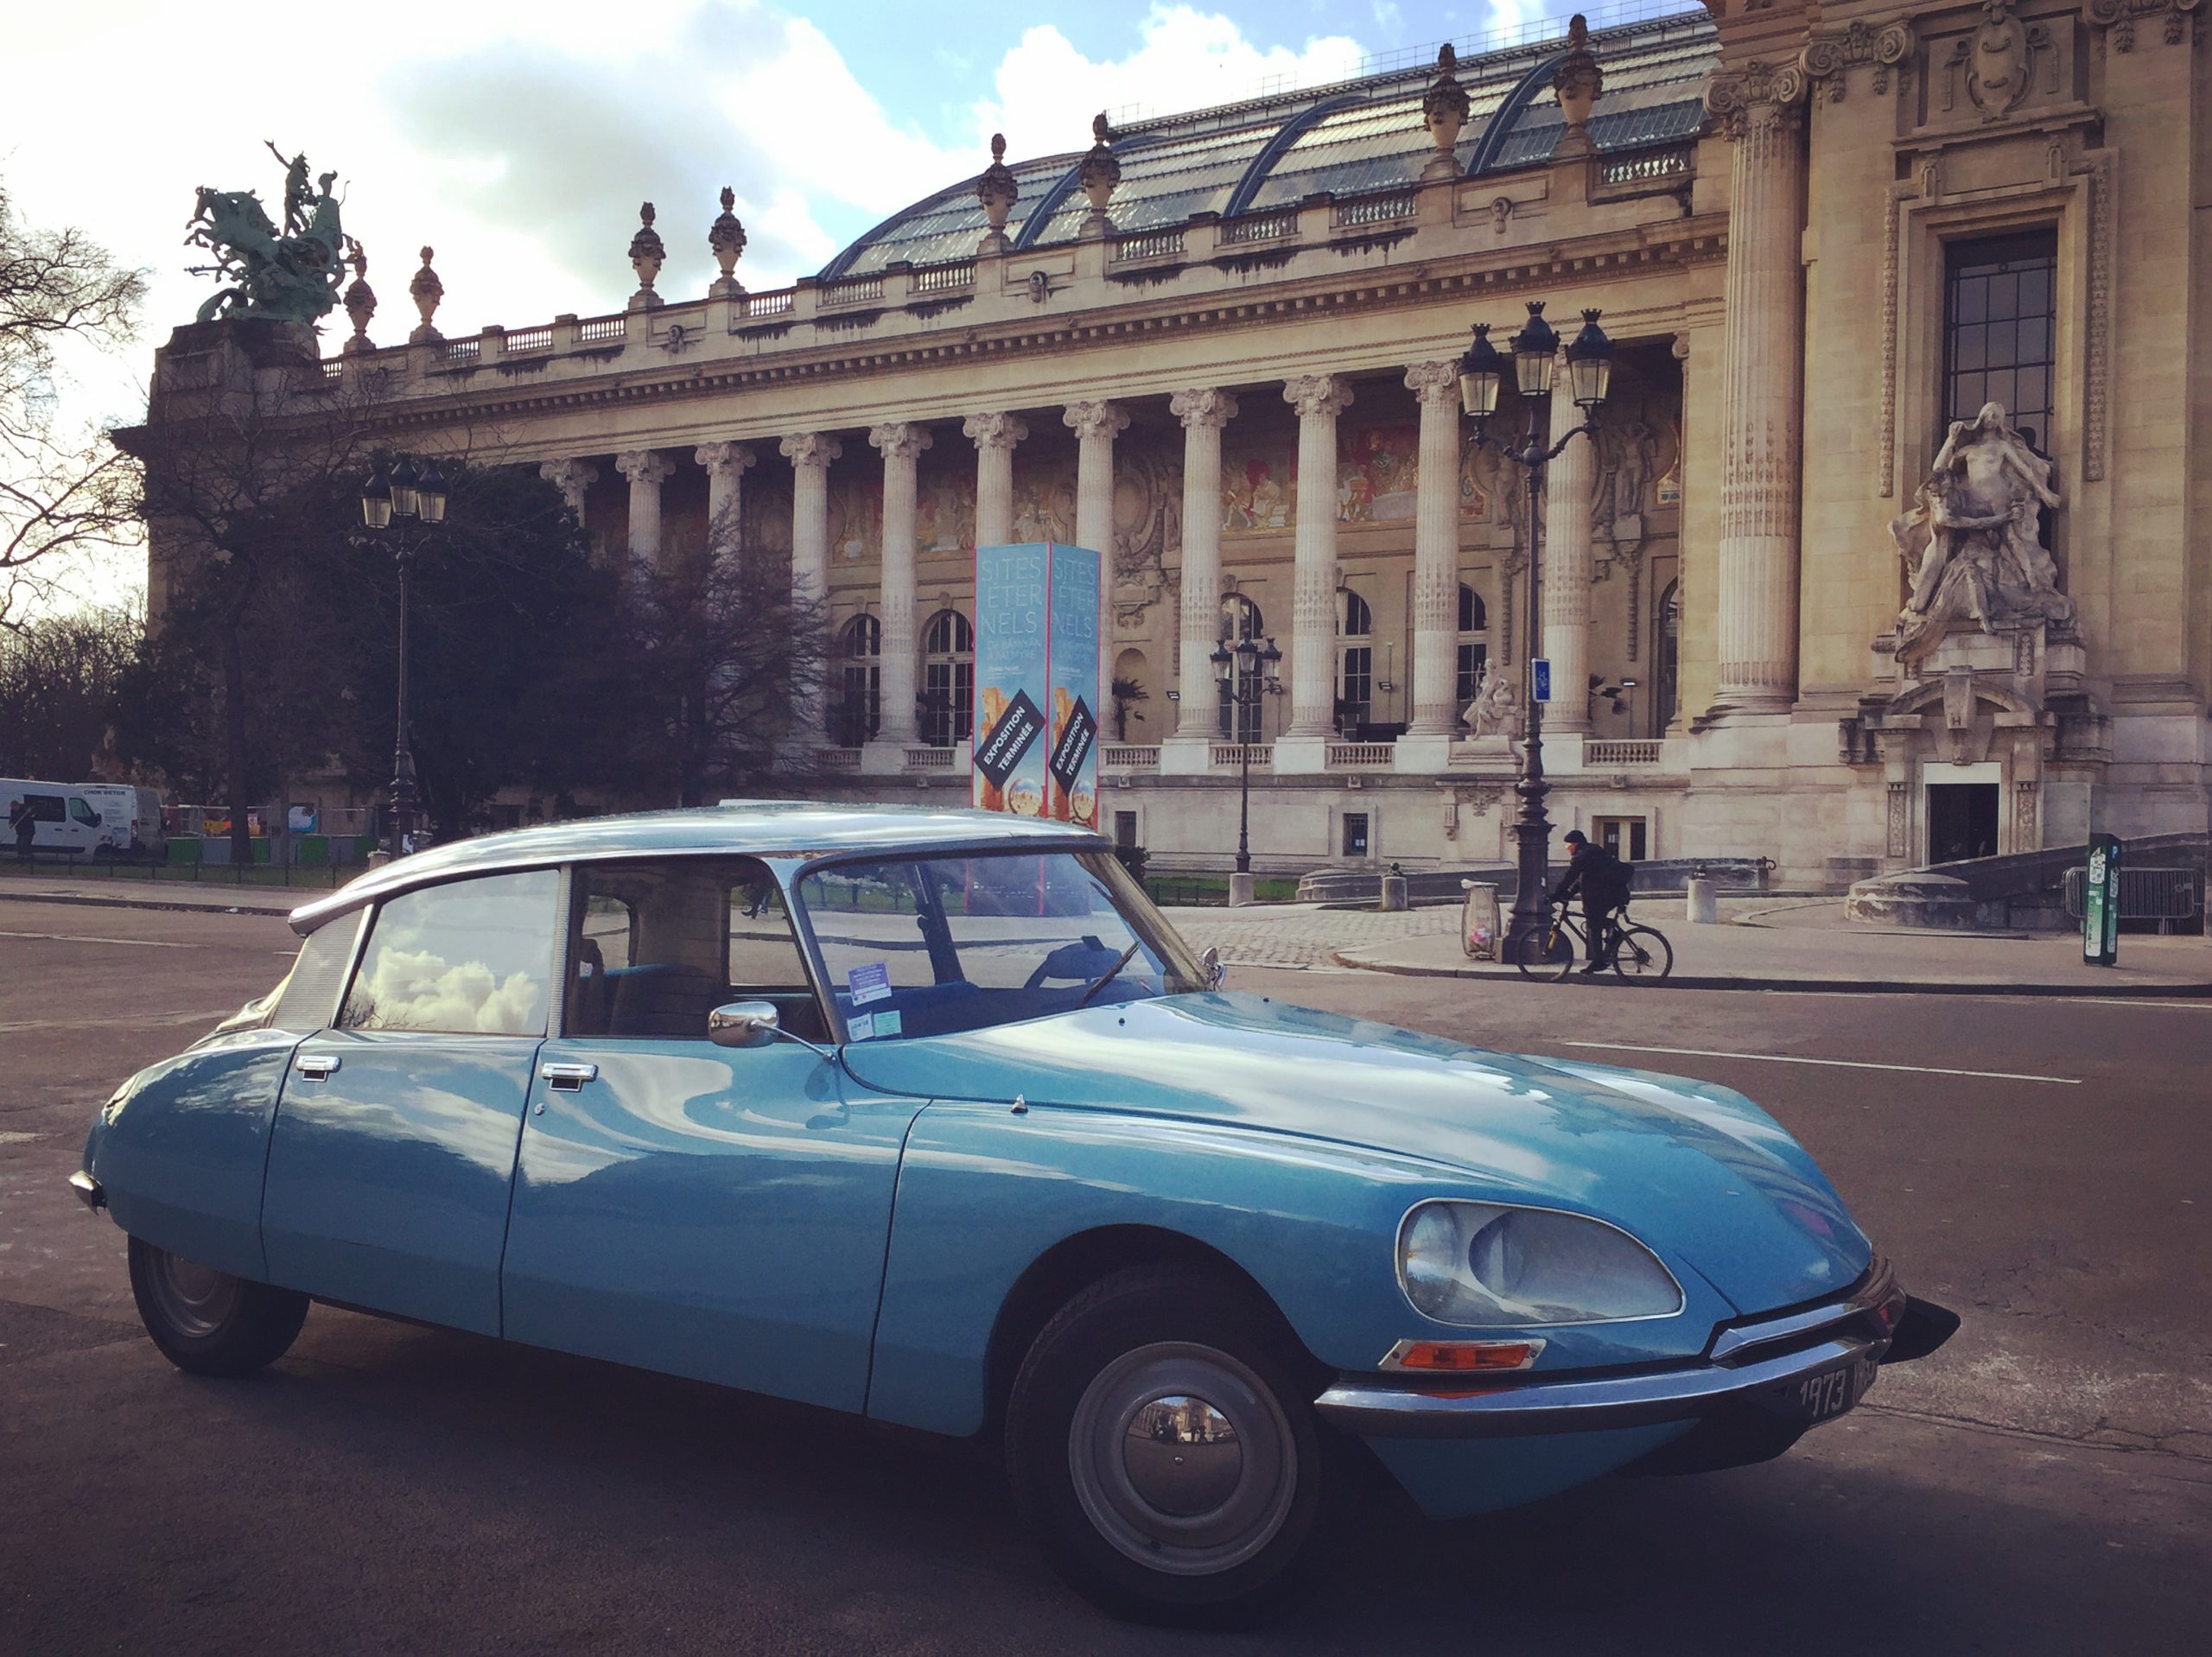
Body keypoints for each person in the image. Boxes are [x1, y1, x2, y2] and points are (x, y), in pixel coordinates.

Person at [1548, 828, 1631, 974]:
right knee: (1594, 920)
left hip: (1607, 894)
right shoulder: (1590, 852)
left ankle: (1598, 961)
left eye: (1568, 846)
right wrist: (1568, 894)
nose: (1567, 849)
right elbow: (1583, 878)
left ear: (1575, 844)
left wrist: (1556, 894)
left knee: (1593, 924)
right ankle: (1613, 934)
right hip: (1614, 893)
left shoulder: (1582, 856)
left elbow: (1571, 876)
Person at [9, 796, 35, 863]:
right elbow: (12, 818)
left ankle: (29, 859)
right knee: (18, 844)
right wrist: (11, 823)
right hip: (20, 831)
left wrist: (30, 811)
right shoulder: (13, 811)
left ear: (16, 805)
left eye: (13, 807)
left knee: (24, 844)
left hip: (29, 830)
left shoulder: (25, 808)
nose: (12, 809)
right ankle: (20, 860)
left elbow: (33, 812)